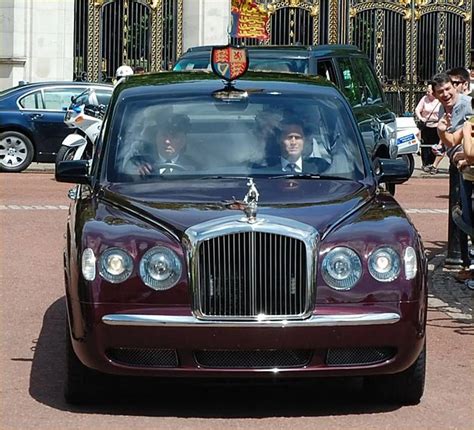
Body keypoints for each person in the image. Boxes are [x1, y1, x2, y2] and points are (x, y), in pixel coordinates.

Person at [433, 72, 473, 282]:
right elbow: (452, 140)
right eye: (441, 92)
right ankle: (467, 263)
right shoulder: (443, 108)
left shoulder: (467, 106)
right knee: (465, 217)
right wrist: (441, 134)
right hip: (462, 169)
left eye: (449, 89)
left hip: (468, 167)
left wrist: (463, 154)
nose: (446, 94)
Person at [127, 113, 194, 176]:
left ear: (183, 141)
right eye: (164, 135)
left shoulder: (193, 167)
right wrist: (136, 173)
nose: (167, 141)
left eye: (173, 137)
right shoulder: (139, 163)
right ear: (156, 138)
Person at [415, 84, 441, 172]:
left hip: (436, 125)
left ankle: (432, 164)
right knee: (425, 145)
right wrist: (421, 118)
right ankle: (425, 163)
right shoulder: (424, 99)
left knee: (435, 145)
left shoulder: (439, 100)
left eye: (429, 92)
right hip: (426, 125)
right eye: (426, 91)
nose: (427, 93)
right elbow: (417, 109)